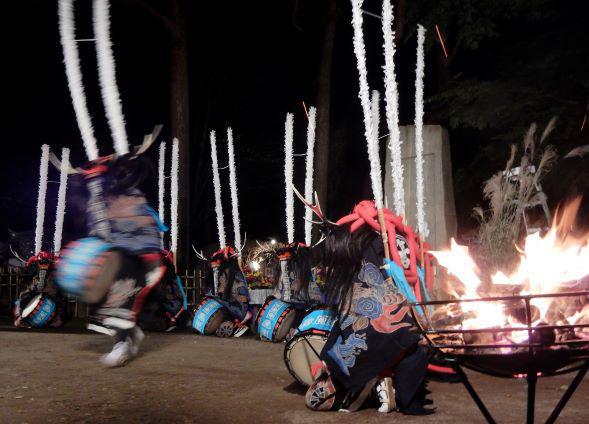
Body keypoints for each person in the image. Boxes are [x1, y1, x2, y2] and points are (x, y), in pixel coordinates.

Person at [305, 201, 434, 415]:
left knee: (346, 353)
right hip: (398, 332)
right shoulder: (374, 241)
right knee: (406, 347)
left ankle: (374, 383)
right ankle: (385, 385)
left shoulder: (357, 248)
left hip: (380, 331)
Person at [207, 246, 252, 337]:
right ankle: (237, 319)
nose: (218, 263)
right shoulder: (228, 271)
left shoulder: (233, 273)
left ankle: (242, 317)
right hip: (236, 303)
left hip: (241, 306)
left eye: (219, 260)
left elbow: (242, 294)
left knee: (216, 299)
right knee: (215, 298)